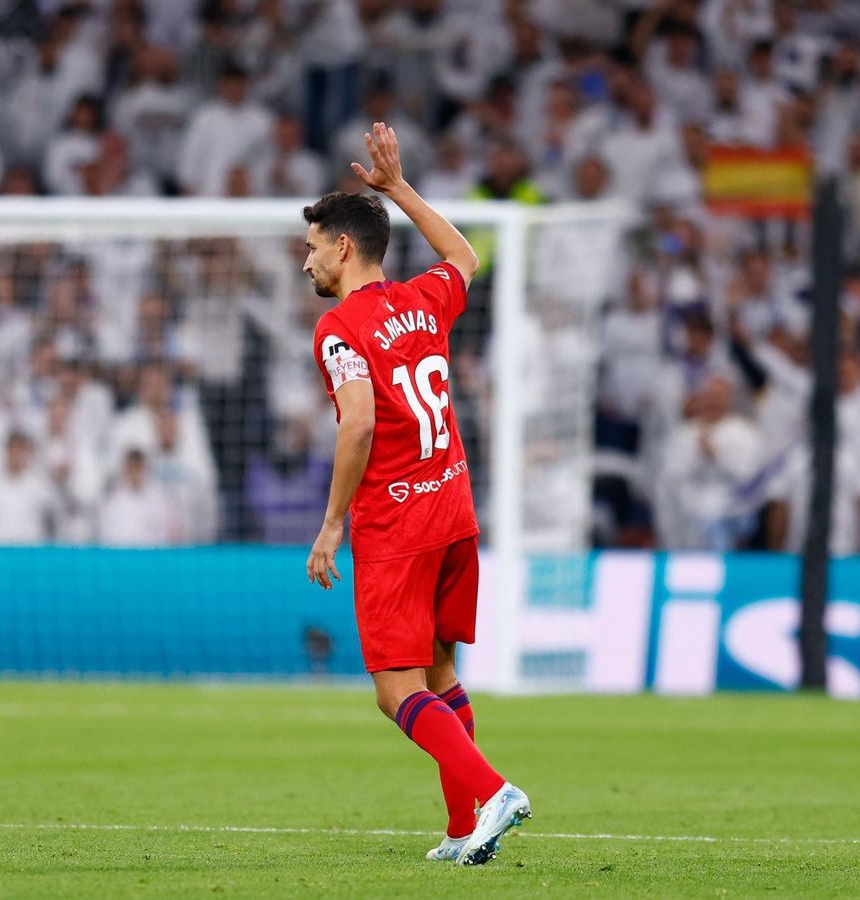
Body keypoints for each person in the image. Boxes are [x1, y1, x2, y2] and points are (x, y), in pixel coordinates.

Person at [302, 122, 529, 867]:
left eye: (312, 245)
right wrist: (398, 188)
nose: (305, 259)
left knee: (394, 690)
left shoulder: (339, 328)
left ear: (342, 247)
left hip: (398, 524)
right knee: (440, 673)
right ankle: (465, 828)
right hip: (455, 508)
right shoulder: (425, 299)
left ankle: (494, 792)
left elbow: (358, 422)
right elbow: (463, 254)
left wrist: (332, 522)